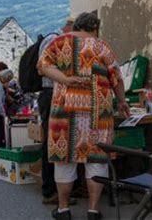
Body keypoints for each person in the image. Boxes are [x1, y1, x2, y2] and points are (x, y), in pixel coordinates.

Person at [38, 12, 130, 220]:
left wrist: (66, 79)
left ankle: (63, 210)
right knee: (97, 159)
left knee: (64, 160)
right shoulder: (102, 46)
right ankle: (93, 210)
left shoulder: (59, 43)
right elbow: (117, 78)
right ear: (95, 28)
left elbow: (42, 67)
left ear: (76, 26)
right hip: (98, 113)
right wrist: (122, 101)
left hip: (64, 112)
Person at [38, 16, 74, 205]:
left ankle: (59, 189)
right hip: (51, 94)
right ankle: (50, 191)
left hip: (54, 93)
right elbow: (42, 68)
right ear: (70, 26)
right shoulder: (54, 40)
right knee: (52, 143)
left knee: (57, 141)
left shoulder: (60, 40)